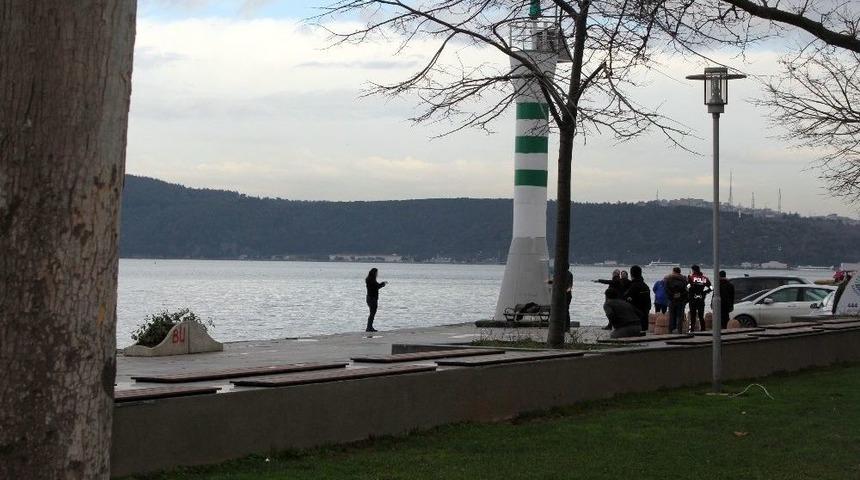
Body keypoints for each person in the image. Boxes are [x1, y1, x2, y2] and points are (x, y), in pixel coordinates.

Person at [624, 265, 652, 332]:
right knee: (643, 330)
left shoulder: (632, 286)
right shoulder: (645, 286)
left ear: (631, 274)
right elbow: (648, 300)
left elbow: (626, 299)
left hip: (635, 316)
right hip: (645, 312)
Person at [687, 265, 712, 331]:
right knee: (701, 315)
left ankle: (692, 330)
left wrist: (689, 281)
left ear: (693, 270)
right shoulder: (704, 278)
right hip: (701, 298)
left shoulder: (691, 278)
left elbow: (687, 288)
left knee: (693, 316)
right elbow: (711, 288)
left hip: (692, 298)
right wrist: (705, 292)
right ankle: (703, 329)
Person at [664, 267, 688, 333]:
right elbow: (687, 289)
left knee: (671, 315)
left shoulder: (668, 278)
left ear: (673, 271)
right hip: (681, 300)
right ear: (680, 271)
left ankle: (670, 330)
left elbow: (666, 289)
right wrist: (681, 295)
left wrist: (672, 295)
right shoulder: (684, 279)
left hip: (672, 300)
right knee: (680, 316)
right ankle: (679, 330)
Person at [365, 268, 387, 332]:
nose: (377, 274)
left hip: (369, 298)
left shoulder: (369, 279)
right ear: (374, 273)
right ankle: (369, 327)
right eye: (376, 273)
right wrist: (383, 284)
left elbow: (376, 286)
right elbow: (377, 287)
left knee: (372, 313)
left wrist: (382, 284)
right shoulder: (372, 280)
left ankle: (369, 327)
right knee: (372, 313)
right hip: (372, 298)